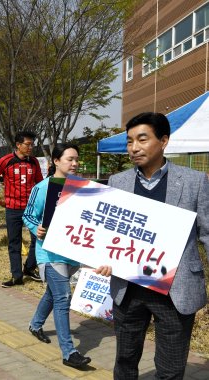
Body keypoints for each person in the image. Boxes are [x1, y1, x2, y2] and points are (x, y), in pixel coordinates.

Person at [94, 112, 208, 379]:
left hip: (174, 291)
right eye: (130, 141)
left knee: (170, 368)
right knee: (125, 360)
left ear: (164, 140)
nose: (134, 148)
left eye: (142, 139)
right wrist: (98, 256)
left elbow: (207, 232)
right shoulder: (117, 182)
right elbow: (105, 233)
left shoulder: (194, 181)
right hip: (128, 288)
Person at [22, 143, 91, 369]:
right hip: (50, 253)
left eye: (76, 159)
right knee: (63, 298)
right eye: (70, 159)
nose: (75, 163)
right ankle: (69, 352)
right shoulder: (42, 188)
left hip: (72, 253)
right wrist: (36, 229)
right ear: (56, 161)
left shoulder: (82, 188)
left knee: (53, 294)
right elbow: (28, 216)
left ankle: (35, 324)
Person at [0, 131, 43, 286]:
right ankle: (16, 276)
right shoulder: (6, 160)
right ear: (18, 145)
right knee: (14, 242)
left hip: (32, 209)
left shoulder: (34, 162)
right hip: (13, 208)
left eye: (32, 144)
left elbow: (40, 183)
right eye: (28, 144)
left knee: (38, 239)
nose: (31, 147)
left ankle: (30, 268)